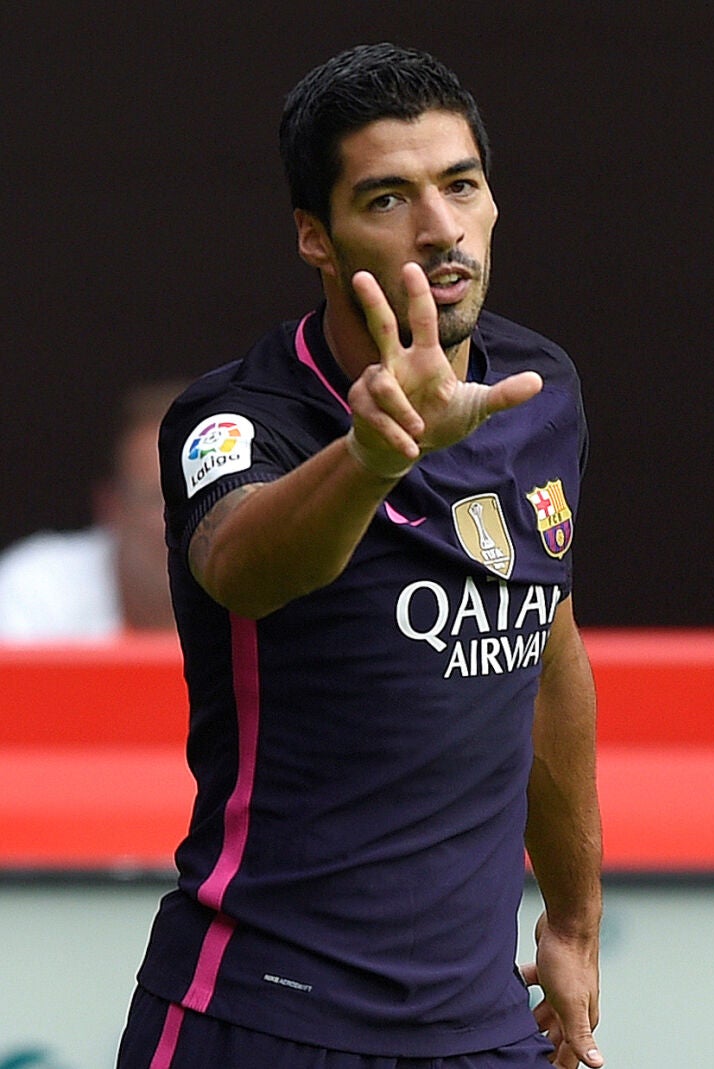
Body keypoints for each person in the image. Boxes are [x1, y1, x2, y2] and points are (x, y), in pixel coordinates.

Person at [116, 44, 605, 1069]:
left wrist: (570, 922)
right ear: (315, 236)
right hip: (259, 1016)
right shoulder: (240, 418)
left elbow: (544, 652)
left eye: (460, 185)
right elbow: (244, 565)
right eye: (387, 198)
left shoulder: (539, 387)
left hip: (480, 1030)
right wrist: (374, 454)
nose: (440, 229)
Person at [0, 381, 181, 643]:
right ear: (112, 508)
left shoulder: (261, 592)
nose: (191, 521)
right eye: (161, 499)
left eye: (211, 499)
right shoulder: (36, 589)